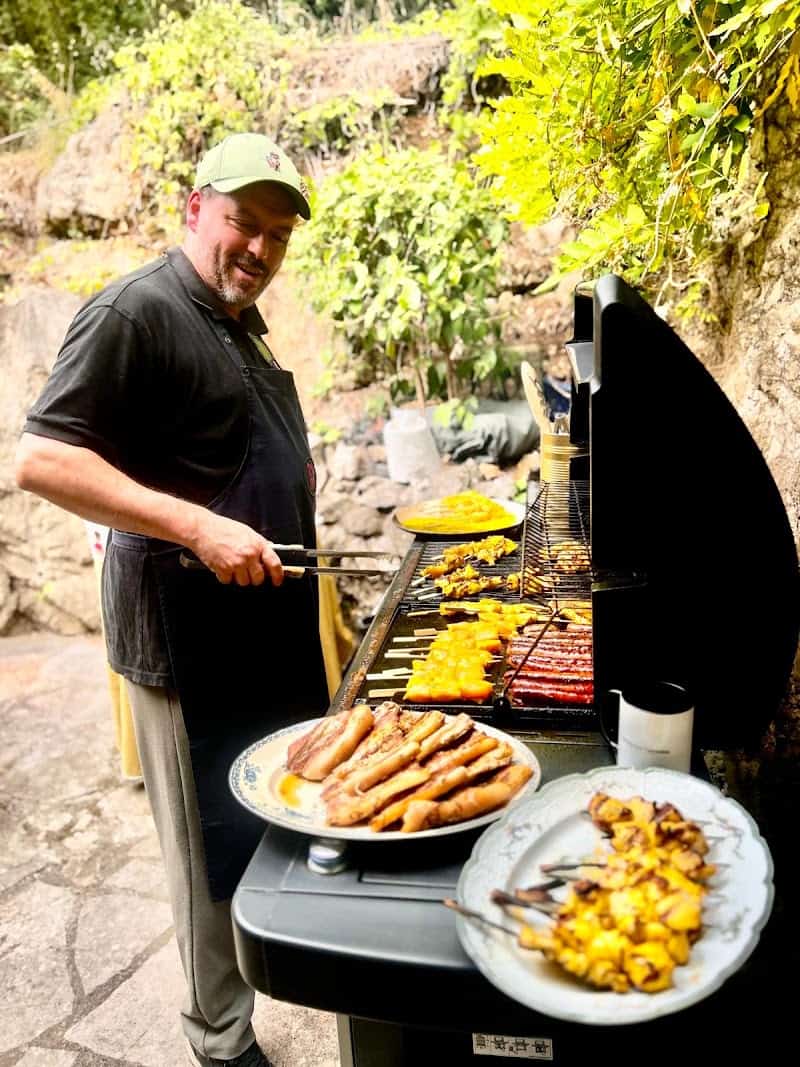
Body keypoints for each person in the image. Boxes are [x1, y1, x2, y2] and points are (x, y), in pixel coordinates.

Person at [15, 132, 329, 1067]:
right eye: (244, 223)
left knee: (269, 818)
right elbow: (43, 460)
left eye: (277, 235)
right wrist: (195, 525)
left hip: (260, 628)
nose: (260, 250)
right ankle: (221, 1040)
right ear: (195, 209)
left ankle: (281, 975)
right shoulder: (136, 311)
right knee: (207, 857)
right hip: (187, 643)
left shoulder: (240, 321)